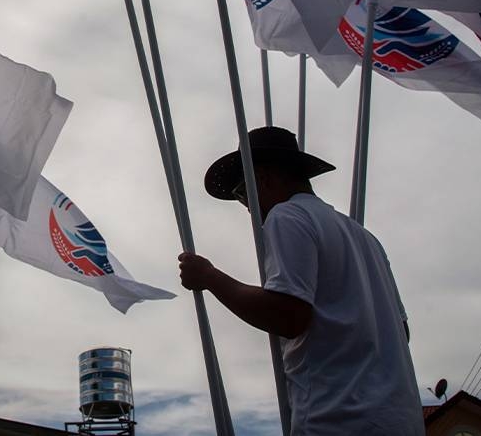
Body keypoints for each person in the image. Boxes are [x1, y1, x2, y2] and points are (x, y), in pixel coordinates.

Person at [178, 126, 424, 435]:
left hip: (338, 417)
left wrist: (210, 277)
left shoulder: (286, 217)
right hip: (400, 419)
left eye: (242, 193)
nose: (246, 205)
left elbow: (288, 315)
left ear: (263, 179)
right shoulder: (365, 238)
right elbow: (401, 331)